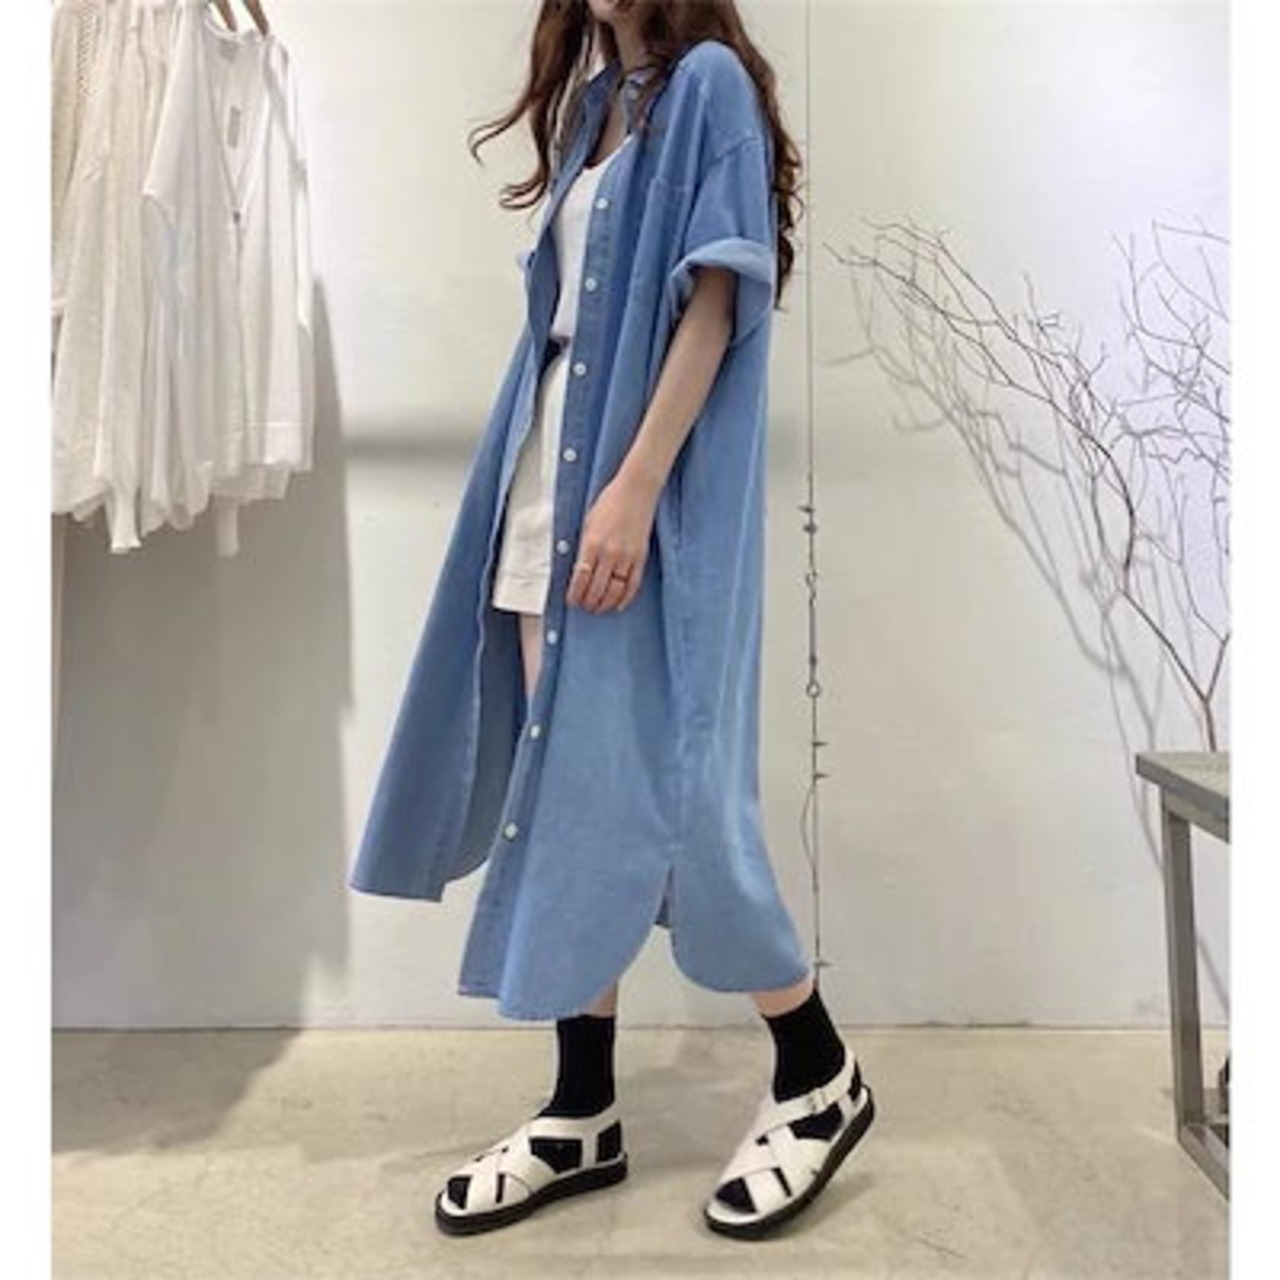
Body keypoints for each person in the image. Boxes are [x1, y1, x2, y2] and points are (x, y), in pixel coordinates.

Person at [351, 0, 876, 1240]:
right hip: (540, 481)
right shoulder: (596, 107)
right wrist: (555, 493)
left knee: (672, 791)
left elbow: (714, 301)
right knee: (565, 792)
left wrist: (634, 488)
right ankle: (580, 1107)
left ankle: (816, 1067)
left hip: (636, 497)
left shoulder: (706, 87)